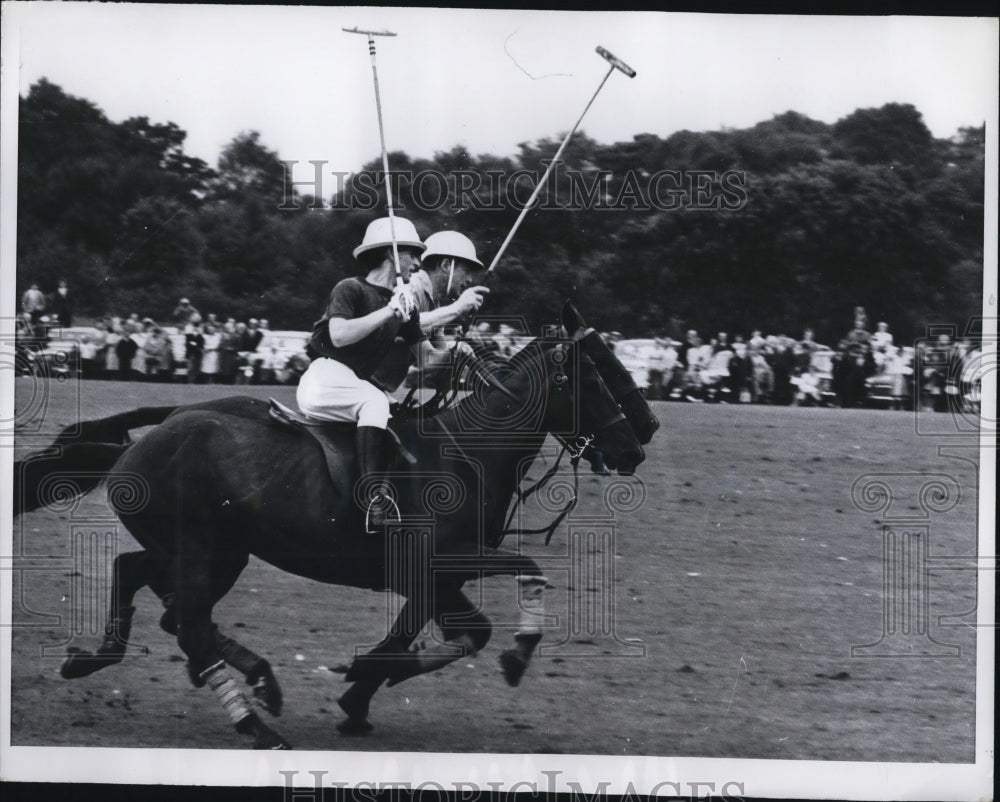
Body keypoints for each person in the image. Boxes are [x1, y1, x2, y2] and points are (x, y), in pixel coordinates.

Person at [296, 217, 479, 530]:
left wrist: (455, 353)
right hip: (325, 378)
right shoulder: (350, 288)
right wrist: (390, 311)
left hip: (355, 387)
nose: (418, 262)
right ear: (393, 256)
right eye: (411, 253)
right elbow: (339, 335)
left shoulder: (405, 307)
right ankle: (372, 501)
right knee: (376, 403)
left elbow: (426, 359)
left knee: (400, 421)